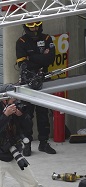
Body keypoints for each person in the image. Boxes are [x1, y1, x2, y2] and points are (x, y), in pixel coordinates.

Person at [15, 21, 56, 155]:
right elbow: (22, 63)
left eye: (37, 26)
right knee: (27, 114)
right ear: (26, 27)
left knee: (43, 113)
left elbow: (50, 59)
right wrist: (41, 57)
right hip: (27, 81)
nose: (35, 29)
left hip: (44, 79)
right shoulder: (21, 41)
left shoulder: (47, 38)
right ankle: (27, 144)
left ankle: (44, 143)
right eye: (31, 27)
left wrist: (31, 57)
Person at [0, 84, 39, 187]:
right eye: (12, 98)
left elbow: (28, 128)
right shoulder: (5, 111)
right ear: (4, 99)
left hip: (13, 154)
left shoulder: (16, 108)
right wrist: (5, 115)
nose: (15, 100)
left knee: (31, 183)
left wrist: (21, 116)